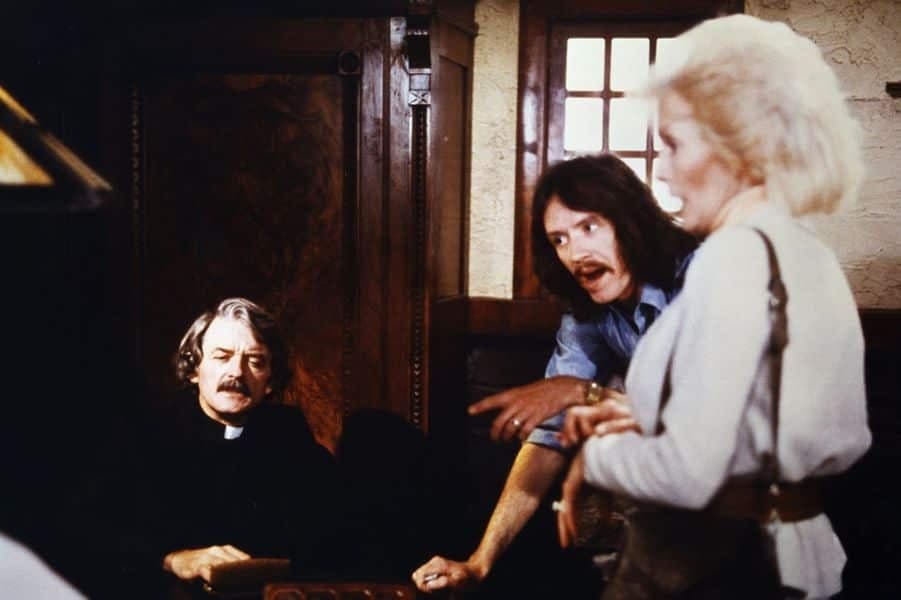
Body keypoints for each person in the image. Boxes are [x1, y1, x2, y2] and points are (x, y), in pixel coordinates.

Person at [556, 14, 872, 600]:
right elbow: (766, 425)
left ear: (741, 145)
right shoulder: (804, 254)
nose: (664, 169)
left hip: (717, 567)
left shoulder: (732, 259)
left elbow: (690, 474)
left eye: (675, 143)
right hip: (800, 556)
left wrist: (594, 456)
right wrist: (642, 417)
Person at [412, 154, 697, 593]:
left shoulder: (702, 279)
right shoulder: (588, 309)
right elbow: (548, 437)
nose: (575, 253)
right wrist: (479, 562)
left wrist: (586, 393)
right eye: (559, 239)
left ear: (632, 220)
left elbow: (706, 425)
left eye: (589, 227)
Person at [129, 297, 339, 596]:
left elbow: (347, 517)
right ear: (193, 368)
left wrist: (418, 559)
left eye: (255, 361)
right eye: (222, 357)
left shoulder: (287, 433)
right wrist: (172, 559)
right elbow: (102, 530)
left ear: (270, 381)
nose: (237, 373)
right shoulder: (149, 434)